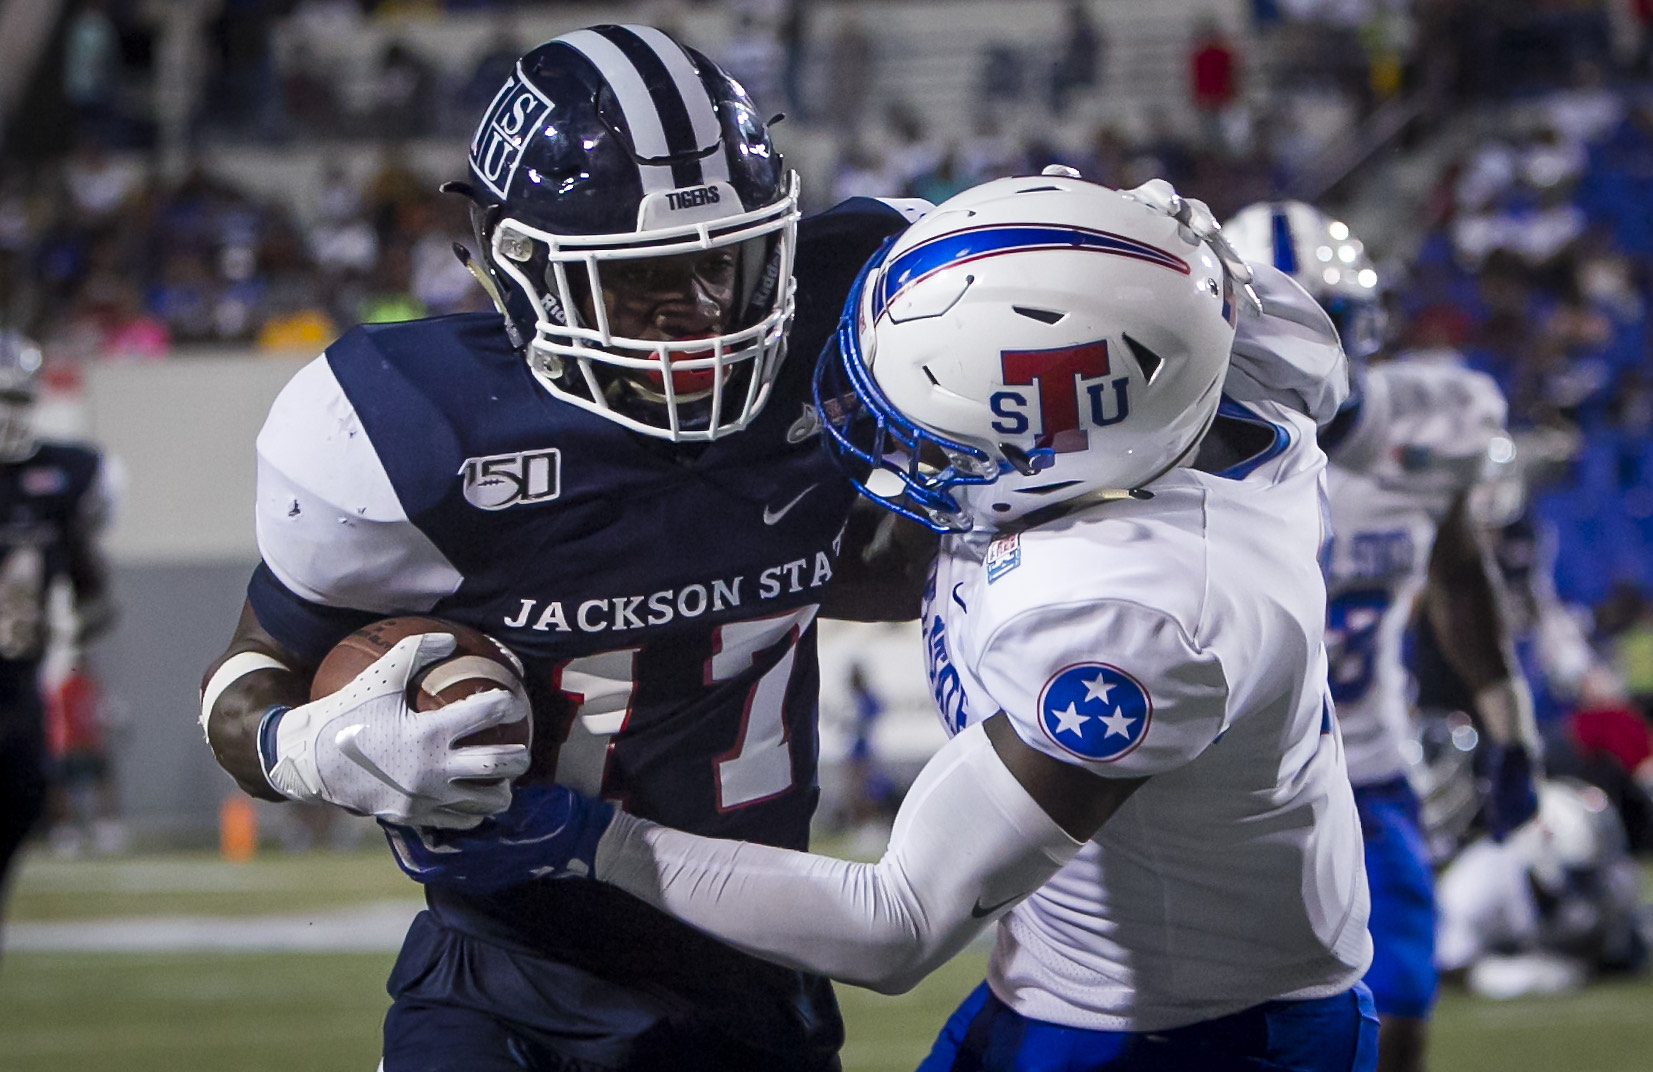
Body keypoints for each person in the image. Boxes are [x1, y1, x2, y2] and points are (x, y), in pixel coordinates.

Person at [385, 172, 1381, 1070]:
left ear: (1055, 447)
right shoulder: (1211, 380)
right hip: (1073, 983)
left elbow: (896, 923)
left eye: (930, 435)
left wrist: (585, 840)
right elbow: (1282, 336)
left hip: (1186, 1039)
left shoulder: (1129, 619)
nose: (888, 453)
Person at [196, 26, 932, 1072]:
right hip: (505, 980)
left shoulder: (849, 312)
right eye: (645, 280)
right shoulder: (415, 431)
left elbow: (844, 557)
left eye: (726, 262)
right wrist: (300, 746)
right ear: (518, 267)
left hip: (756, 966)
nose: (702, 316)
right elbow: (251, 668)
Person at [1224, 200, 1542, 1072]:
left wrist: (1509, 724)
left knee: (1397, 1007)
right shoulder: (1181, 456)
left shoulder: (1423, 429)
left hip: (1370, 773)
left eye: (1325, 323)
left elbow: (1457, 576)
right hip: (1229, 790)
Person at [0, 330, 116, 944]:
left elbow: (82, 562)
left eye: (17, 398)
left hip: (18, 683)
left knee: (23, 795)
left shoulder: (60, 474)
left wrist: (90, 599)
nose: (8, 415)